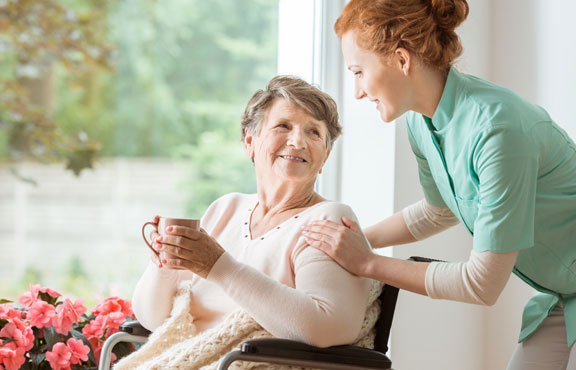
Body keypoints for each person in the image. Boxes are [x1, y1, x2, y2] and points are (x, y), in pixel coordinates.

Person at [300, 1, 576, 369]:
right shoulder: (421, 122)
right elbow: (439, 210)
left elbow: (482, 284)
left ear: (401, 60)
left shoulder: (499, 130)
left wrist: (367, 262)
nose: (357, 92)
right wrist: (354, 240)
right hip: (562, 292)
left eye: (358, 71)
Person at [118, 76, 376, 369]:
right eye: (283, 126)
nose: (298, 141)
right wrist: (162, 265)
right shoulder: (225, 209)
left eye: (314, 132)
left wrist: (217, 266)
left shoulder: (327, 219)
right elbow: (153, 318)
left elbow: (329, 328)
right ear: (250, 141)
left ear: (326, 155)